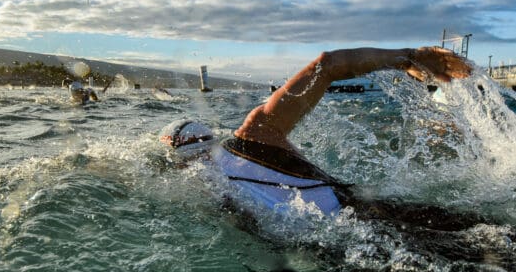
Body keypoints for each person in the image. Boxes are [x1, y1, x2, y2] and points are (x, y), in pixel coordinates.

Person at [160, 46, 477, 228]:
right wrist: (409, 57)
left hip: (336, 254)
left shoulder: (205, 192)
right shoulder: (256, 134)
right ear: (211, 138)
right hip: (370, 216)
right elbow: (327, 65)